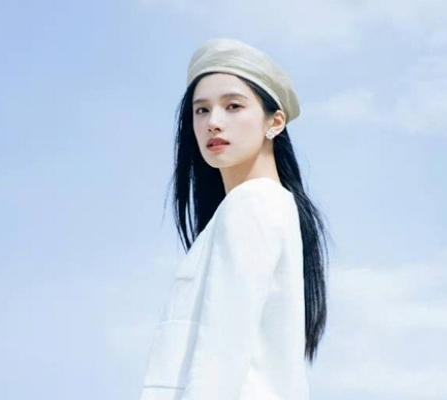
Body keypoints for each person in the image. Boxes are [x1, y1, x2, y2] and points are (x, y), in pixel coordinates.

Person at [138, 37, 332, 400]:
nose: (214, 122)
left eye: (233, 106)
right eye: (201, 110)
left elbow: (221, 351)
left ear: (275, 122)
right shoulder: (271, 205)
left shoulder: (251, 203)